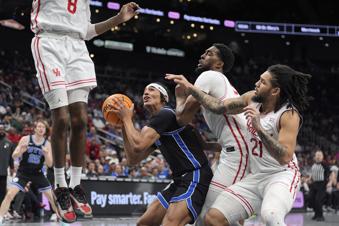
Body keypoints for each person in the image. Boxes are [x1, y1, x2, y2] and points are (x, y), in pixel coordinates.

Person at [30, 0, 140, 222]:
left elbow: (87, 31)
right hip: (49, 42)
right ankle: (60, 185)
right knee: (61, 118)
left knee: (81, 120)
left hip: (78, 47)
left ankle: (76, 184)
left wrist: (118, 19)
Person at [167, 64, 311, 226]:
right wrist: (191, 88)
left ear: (275, 91)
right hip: (256, 176)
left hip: (282, 175)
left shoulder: (288, 114)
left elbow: (284, 156)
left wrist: (259, 128)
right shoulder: (251, 98)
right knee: (213, 219)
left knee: (270, 216)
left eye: (263, 82)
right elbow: (218, 107)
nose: (256, 83)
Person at [109, 82, 219, 226]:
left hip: (196, 175)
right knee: (144, 223)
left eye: (151, 89)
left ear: (164, 98)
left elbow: (138, 145)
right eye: (144, 91)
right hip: (180, 179)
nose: (146, 93)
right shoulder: (155, 126)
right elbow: (132, 160)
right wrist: (124, 125)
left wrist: (126, 119)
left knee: (170, 223)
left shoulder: (166, 114)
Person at [166, 43, 250, 225]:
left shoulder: (209, 75)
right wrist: (207, 146)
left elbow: (182, 118)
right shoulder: (222, 83)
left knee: (207, 217)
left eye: (209, 53)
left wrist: (179, 97)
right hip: (238, 151)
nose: (202, 55)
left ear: (219, 64)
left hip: (239, 153)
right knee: (228, 216)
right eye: (203, 52)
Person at [0, 119, 58, 224]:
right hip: (23, 173)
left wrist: (46, 154)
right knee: (9, 195)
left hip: (38, 173)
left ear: (45, 130)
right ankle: (0, 217)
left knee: (51, 197)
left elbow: (50, 164)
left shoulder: (47, 144)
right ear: (35, 129)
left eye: (43, 127)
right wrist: (20, 151)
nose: (41, 129)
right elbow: (14, 155)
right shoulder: (25, 139)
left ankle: (60, 216)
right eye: (39, 127)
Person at [309, 150, 329, 221]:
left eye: (319, 155)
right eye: (317, 155)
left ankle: (320, 216)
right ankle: (316, 214)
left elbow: (328, 174)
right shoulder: (313, 164)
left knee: (318, 200)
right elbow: (312, 173)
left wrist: (327, 183)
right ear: (315, 156)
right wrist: (310, 178)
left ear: (322, 157)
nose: (318, 157)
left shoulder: (324, 164)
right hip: (314, 184)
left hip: (321, 184)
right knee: (311, 199)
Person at [0, 123, 15, 205]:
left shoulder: (9, 143)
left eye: (2, 129)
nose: (1, 131)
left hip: (3, 171)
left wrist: (12, 168)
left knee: (2, 191)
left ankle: (1, 209)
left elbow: (11, 157)